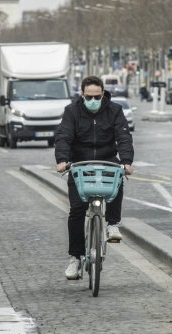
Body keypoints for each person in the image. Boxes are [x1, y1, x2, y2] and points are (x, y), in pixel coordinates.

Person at [55, 75, 134, 280]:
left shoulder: (114, 110)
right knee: (77, 211)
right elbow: (63, 136)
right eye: (89, 97)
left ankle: (113, 224)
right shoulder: (72, 111)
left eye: (97, 97)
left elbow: (124, 136)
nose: (93, 100)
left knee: (118, 176)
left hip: (107, 159)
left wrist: (126, 161)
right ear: (82, 95)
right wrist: (63, 160)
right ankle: (75, 258)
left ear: (103, 94)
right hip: (79, 163)